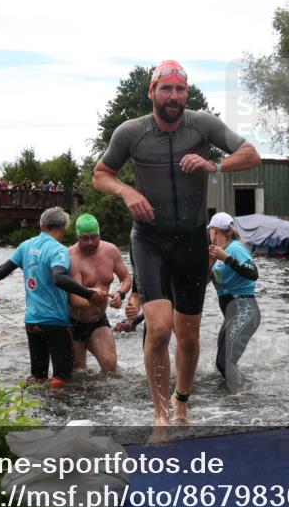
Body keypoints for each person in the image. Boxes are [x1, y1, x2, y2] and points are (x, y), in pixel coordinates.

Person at [93, 59, 262, 426]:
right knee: (158, 328)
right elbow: (101, 174)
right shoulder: (131, 132)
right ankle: (161, 413)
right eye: (166, 88)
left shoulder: (202, 125)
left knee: (188, 336)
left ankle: (181, 400)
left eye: (180, 89)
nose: (173, 96)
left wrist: (214, 165)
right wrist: (126, 192)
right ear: (152, 91)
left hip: (191, 240)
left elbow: (251, 153)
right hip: (149, 239)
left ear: (187, 93)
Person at [0, 207, 110, 388]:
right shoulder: (59, 250)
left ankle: (34, 403)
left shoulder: (26, 246)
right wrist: (90, 294)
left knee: (38, 378)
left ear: (41, 226)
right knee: (62, 379)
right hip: (55, 322)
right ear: (64, 226)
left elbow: (2, 270)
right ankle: (58, 404)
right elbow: (58, 278)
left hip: (32, 322)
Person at [68, 213, 131, 373]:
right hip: (73, 322)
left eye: (94, 237)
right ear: (77, 237)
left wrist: (120, 294)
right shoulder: (71, 258)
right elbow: (74, 300)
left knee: (110, 366)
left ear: (99, 234)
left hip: (98, 319)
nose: (90, 242)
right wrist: (94, 298)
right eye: (85, 238)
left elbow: (126, 278)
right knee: (77, 373)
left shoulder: (111, 251)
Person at [207, 212, 260, 392]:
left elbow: (253, 273)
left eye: (210, 230)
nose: (209, 234)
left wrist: (227, 259)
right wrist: (210, 263)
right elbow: (205, 282)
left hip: (245, 311)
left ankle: (248, 394)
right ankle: (233, 394)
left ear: (215, 230)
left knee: (224, 363)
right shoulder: (216, 252)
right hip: (232, 314)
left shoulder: (235, 248)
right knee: (222, 363)